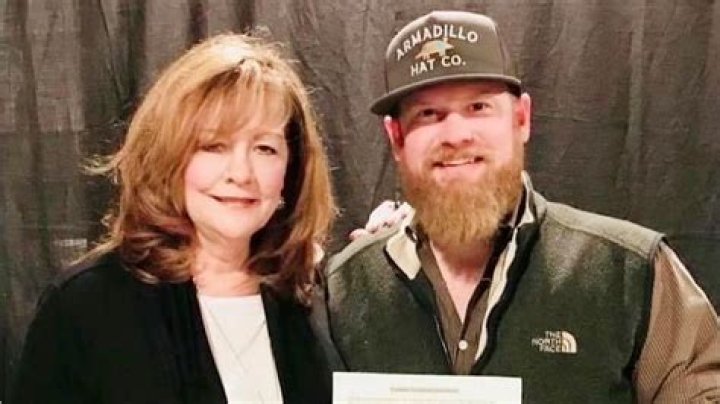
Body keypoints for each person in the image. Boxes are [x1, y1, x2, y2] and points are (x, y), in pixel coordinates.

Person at [323, 10, 720, 403]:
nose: (457, 134)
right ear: (396, 137)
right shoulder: (341, 289)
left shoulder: (631, 272)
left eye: (478, 107)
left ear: (521, 119)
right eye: (429, 114)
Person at [11, 33, 336, 403]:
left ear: (292, 171)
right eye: (214, 146)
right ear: (169, 157)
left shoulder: (314, 304)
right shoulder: (85, 307)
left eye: (264, 148)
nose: (241, 173)